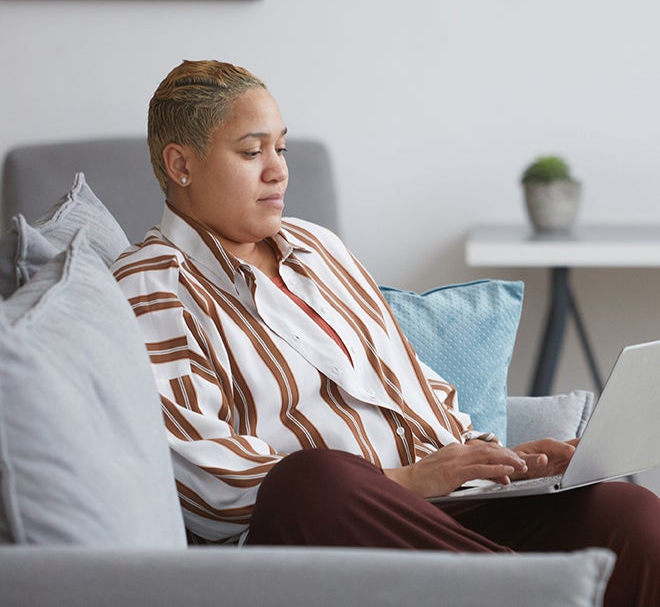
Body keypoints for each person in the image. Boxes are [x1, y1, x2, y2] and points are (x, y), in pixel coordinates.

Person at [113, 59, 660, 606]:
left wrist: (500, 466)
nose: (277, 170)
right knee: (309, 480)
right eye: (252, 152)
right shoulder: (151, 287)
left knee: (627, 513)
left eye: (281, 148)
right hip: (323, 529)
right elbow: (208, 483)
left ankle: (523, 586)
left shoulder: (319, 248)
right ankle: (536, 590)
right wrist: (411, 480)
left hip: (440, 514)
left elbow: (414, 383)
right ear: (181, 164)